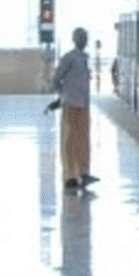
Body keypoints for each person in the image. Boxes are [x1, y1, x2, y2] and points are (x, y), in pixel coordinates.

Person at [53, 27, 99, 192]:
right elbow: (56, 78)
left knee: (83, 140)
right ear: (74, 39)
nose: (84, 41)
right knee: (69, 141)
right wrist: (63, 96)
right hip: (71, 104)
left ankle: (84, 173)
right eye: (81, 37)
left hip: (83, 104)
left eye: (85, 38)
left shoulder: (84, 58)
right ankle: (70, 176)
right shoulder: (69, 58)